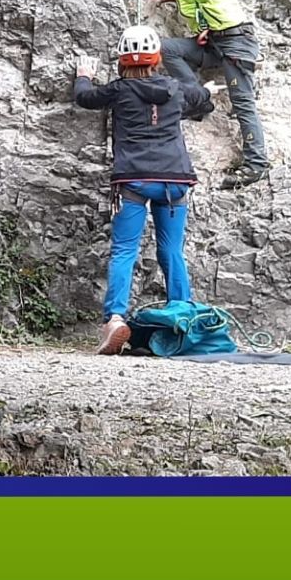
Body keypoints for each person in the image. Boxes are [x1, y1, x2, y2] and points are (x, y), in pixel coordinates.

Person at [70, 24, 215, 354]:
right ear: (157, 57)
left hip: (134, 180)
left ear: (122, 59)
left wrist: (83, 74)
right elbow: (202, 98)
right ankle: (183, 313)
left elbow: (84, 98)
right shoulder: (176, 89)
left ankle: (116, 320)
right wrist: (207, 93)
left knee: (124, 250)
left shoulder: (118, 91)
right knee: (171, 249)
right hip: (175, 180)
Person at [102, 0, 269, 188]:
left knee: (243, 102)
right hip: (216, 42)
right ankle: (197, 99)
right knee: (167, 48)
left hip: (236, 43)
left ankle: (256, 164)